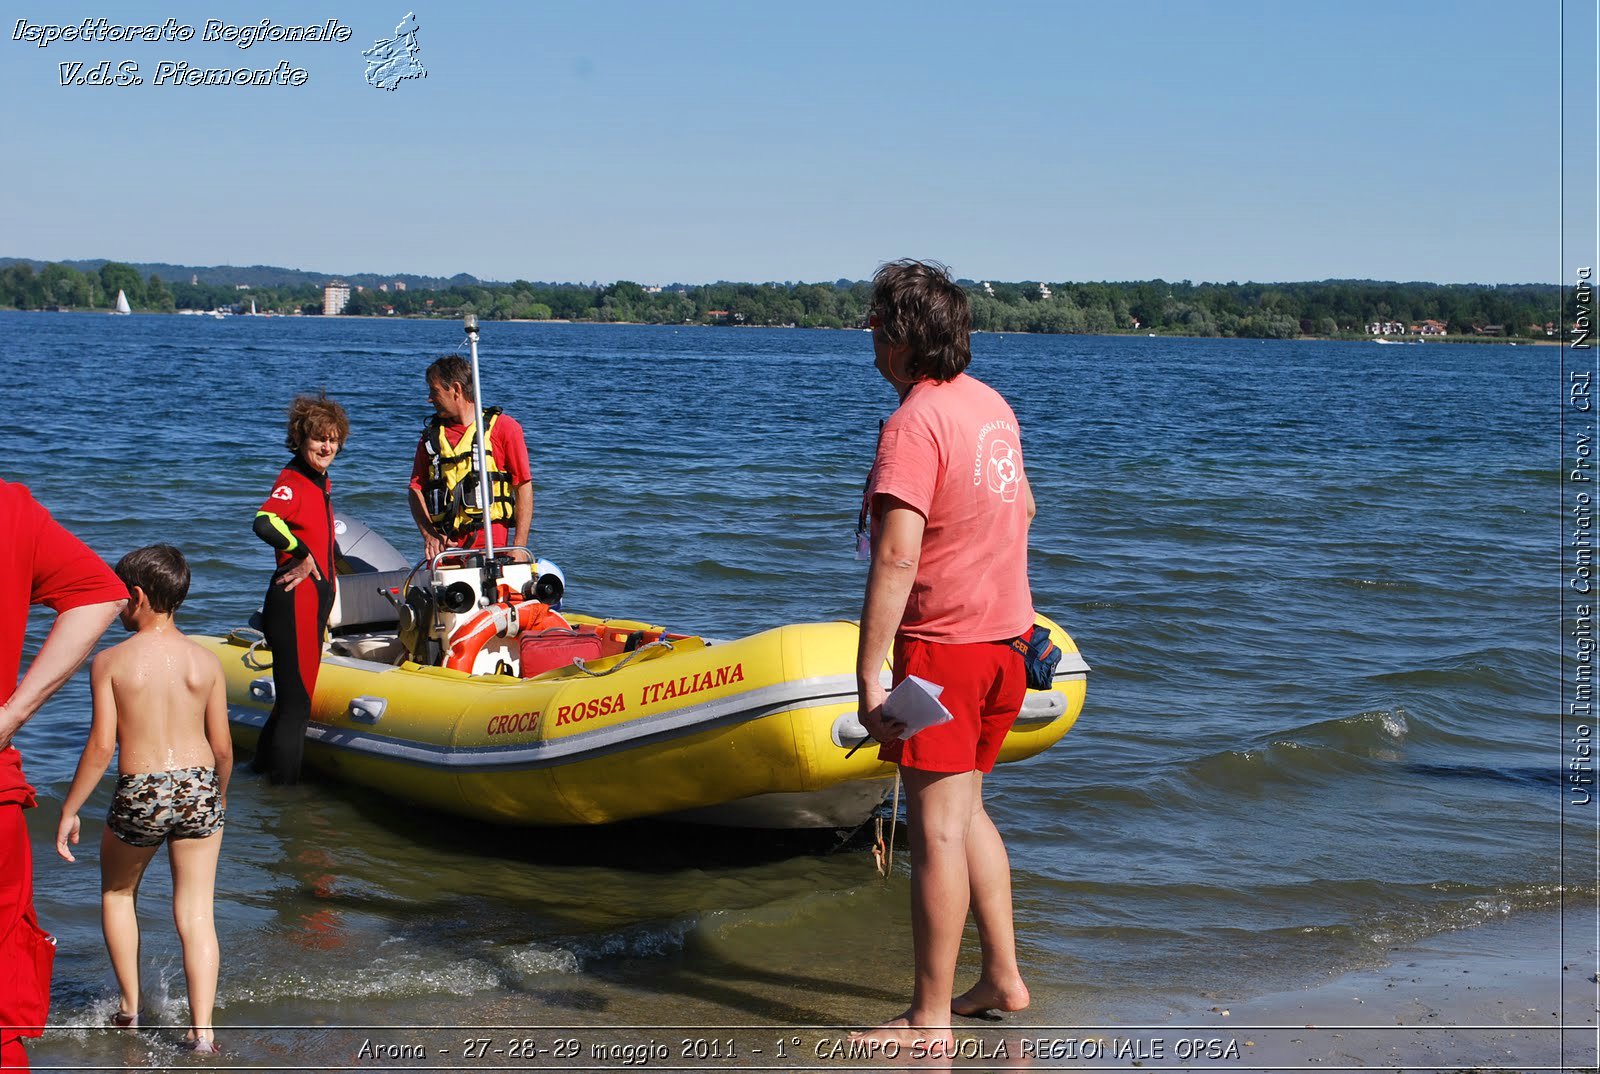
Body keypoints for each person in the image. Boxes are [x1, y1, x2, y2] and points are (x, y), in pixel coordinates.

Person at [851, 260, 1038, 1058]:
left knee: (934, 833)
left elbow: (895, 558)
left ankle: (929, 1021)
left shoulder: (914, 424)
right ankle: (1001, 977)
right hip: (1008, 642)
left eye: (873, 323)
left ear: (898, 340)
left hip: (946, 651)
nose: (868, 335)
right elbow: (1024, 505)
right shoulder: (991, 405)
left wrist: (870, 675)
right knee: (967, 814)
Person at [55, 544, 231, 1055]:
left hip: (143, 787)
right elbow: (223, 748)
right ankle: (202, 1033)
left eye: (120, 600)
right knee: (197, 911)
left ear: (137, 596)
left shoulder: (111, 661)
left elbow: (102, 746)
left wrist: (69, 809)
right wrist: (218, 800)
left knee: (116, 894)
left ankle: (129, 1010)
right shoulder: (207, 661)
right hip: (199, 785)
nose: (116, 610)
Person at [0, 480, 127, 1072]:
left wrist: (70, 808)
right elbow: (101, 591)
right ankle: (162, 1016)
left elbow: (102, 743)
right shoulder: (10, 508)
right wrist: (13, 714)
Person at [250, 394, 348, 785]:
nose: (326, 447)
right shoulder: (293, 479)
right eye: (318, 439)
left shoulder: (318, 479)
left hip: (312, 605)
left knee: (290, 701)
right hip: (294, 603)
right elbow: (263, 522)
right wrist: (301, 552)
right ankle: (285, 796)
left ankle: (257, 772)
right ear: (300, 439)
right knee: (296, 706)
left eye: (333, 439)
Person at [408, 354, 533, 561]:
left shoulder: (504, 428)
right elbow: (415, 489)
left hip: (492, 549)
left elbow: (523, 486)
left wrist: (519, 546)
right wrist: (429, 535)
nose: (429, 399)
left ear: (456, 389)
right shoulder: (430, 438)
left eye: (434, 391)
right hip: (445, 551)